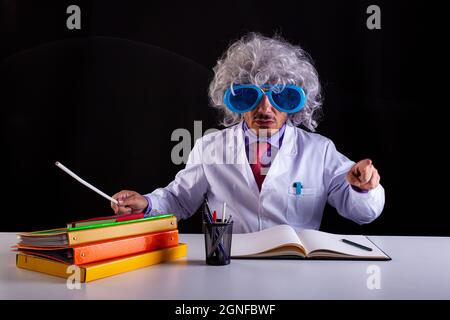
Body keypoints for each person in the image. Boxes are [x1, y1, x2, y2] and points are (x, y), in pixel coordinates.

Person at [111, 32, 384, 233]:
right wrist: (146, 204)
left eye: (281, 97)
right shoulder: (210, 148)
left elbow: (364, 213)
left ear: (296, 104)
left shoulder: (320, 151)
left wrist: (364, 188)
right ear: (233, 100)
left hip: (297, 274)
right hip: (228, 267)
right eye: (250, 96)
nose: (265, 108)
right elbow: (179, 199)